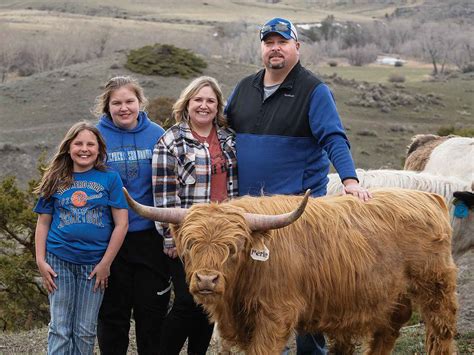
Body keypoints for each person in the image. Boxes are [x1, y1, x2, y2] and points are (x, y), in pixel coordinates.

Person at [225, 17, 372, 355]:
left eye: (282, 41)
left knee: (306, 291)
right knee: (251, 286)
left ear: (296, 47)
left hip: (296, 215)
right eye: (268, 42)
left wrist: (349, 180)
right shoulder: (244, 87)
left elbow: (333, 137)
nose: (274, 48)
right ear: (262, 48)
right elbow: (221, 131)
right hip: (248, 212)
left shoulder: (313, 90)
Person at [152, 76, 238, 355]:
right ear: (187, 104)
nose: (204, 106)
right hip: (189, 238)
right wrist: (171, 238)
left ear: (218, 107)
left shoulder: (228, 140)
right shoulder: (171, 141)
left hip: (221, 237)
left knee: (211, 301)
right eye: (197, 100)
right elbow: (165, 197)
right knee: (188, 301)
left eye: (210, 101)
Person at [33, 121, 129, 354]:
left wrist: (105, 263)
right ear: (68, 147)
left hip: (94, 265)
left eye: (90, 144)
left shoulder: (110, 179)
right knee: (60, 327)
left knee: (85, 329)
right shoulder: (56, 178)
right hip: (58, 261)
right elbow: (43, 221)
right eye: (78, 143)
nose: (84, 149)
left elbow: (121, 224)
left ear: (99, 149)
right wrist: (40, 260)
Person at [95, 76, 170, 355]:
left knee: (151, 315)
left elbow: (168, 185)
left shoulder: (157, 134)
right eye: (117, 103)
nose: (124, 108)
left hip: (149, 238)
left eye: (129, 101)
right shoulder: (95, 136)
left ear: (140, 103)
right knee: (113, 316)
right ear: (107, 106)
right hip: (109, 239)